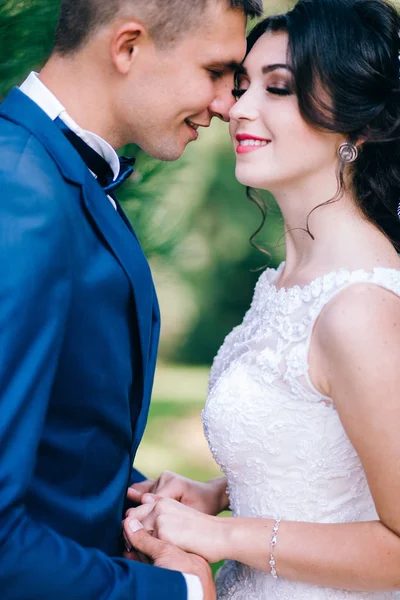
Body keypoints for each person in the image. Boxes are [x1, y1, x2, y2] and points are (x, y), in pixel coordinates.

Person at [125, 0, 400, 598]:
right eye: (243, 85)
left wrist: (223, 537)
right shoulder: (288, 282)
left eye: (278, 89)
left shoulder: (360, 307)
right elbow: (329, 459)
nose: (238, 108)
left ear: (358, 126)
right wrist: (216, 495)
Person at [0, 1, 264, 599]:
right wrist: (176, 591)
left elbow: (59, 440)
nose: (228, 104)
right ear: (128, 47)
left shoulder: (56, 176)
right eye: (215, 71)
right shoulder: (19, 190)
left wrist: (140, 506)